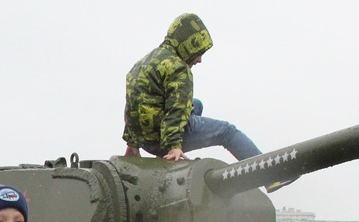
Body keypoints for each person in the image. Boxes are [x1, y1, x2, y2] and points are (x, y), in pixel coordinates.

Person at [123, 13, 294, 192]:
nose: (199, 59)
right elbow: (176, 110)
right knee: (228, 131)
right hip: (164, 138)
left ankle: (164, 143)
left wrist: (132, 144)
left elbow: (133, 105)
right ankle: (270, 176)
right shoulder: (178, 69)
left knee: (196, 104)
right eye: (198, 53)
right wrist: (173, 146)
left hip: (145, 139)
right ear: (188, 45)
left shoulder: (143, 63)